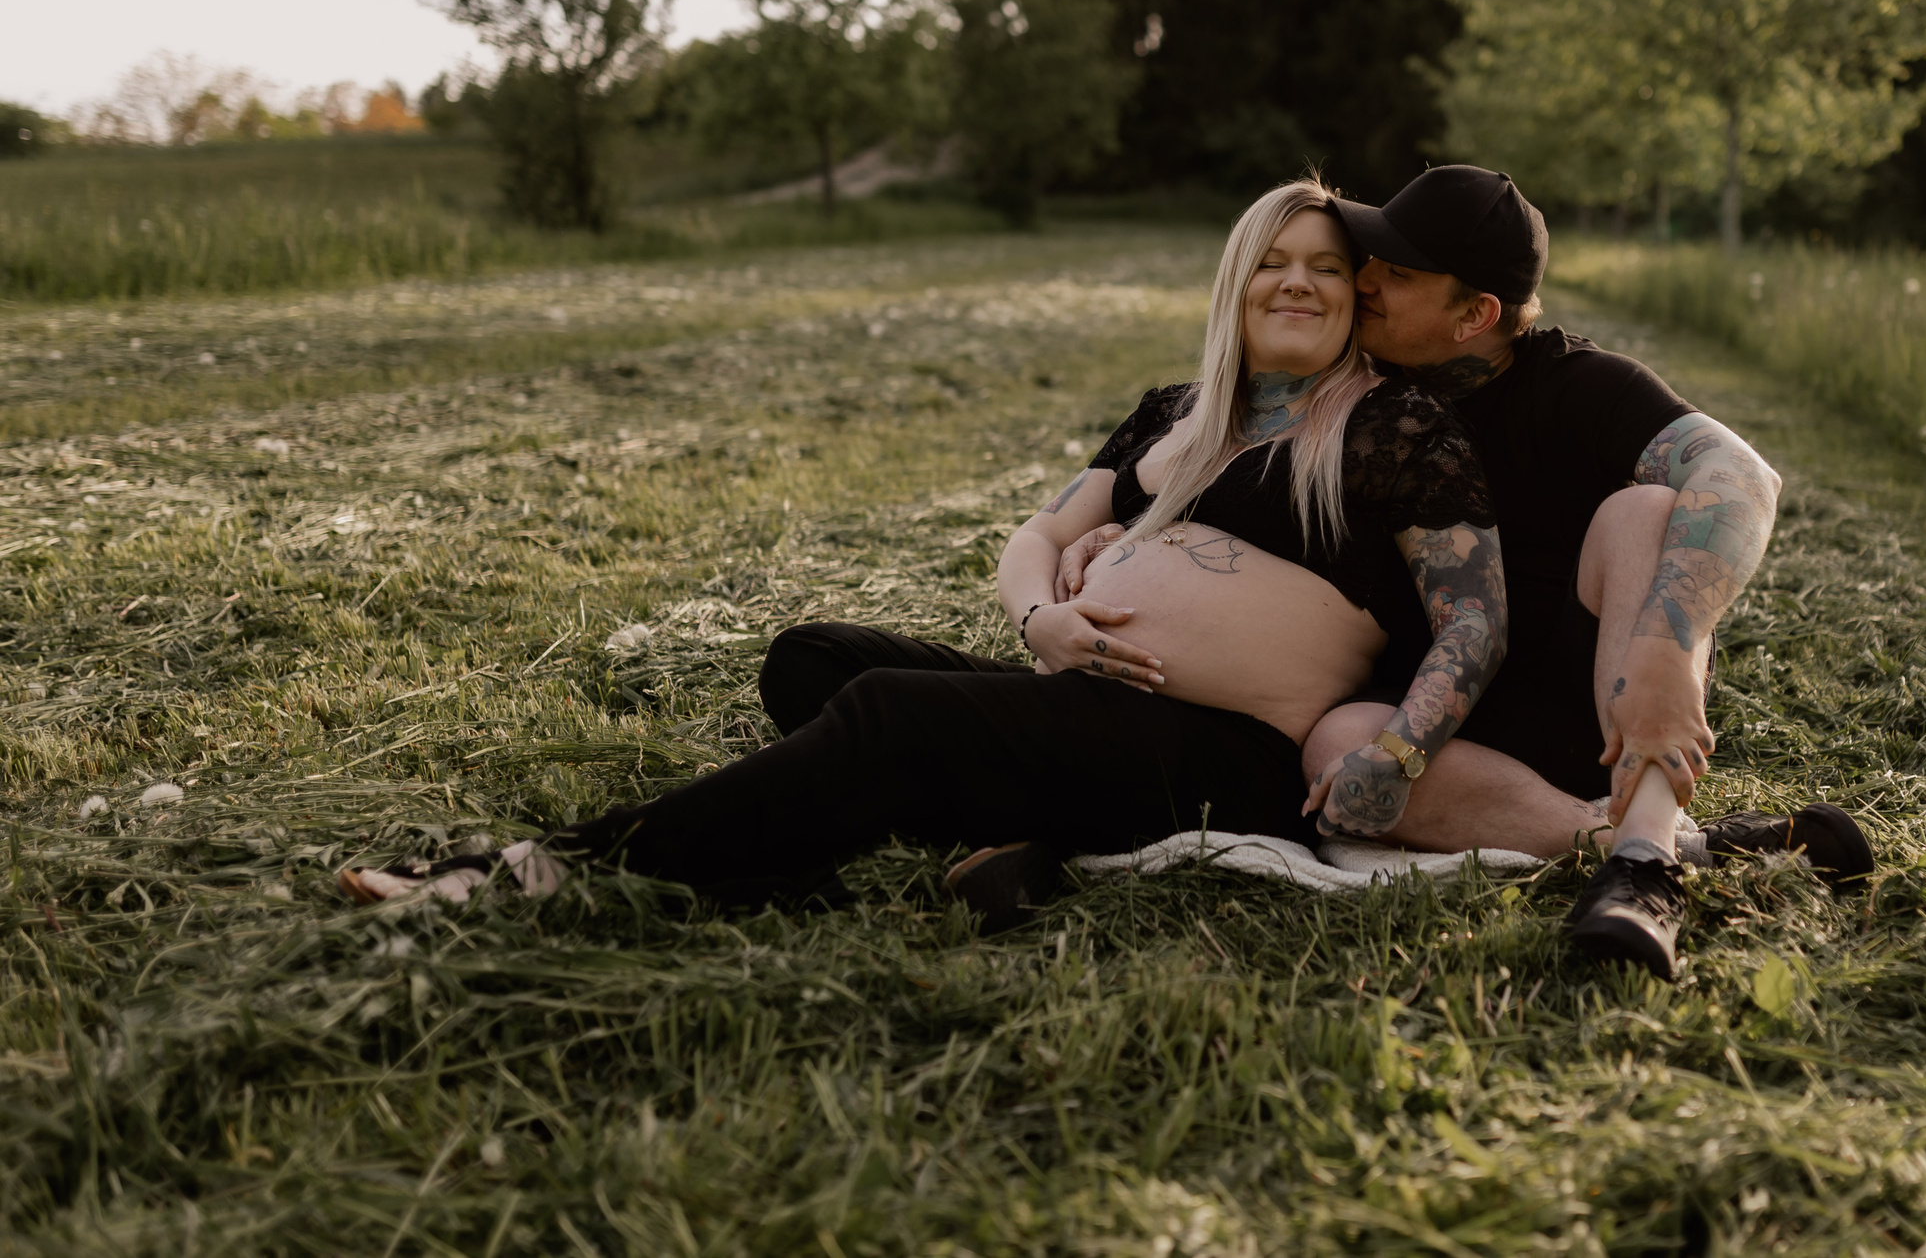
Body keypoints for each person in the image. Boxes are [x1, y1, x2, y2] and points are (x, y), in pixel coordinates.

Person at [338, 178, 1506, 915]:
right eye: (1273, 259)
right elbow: (1043, 531)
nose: (1296, 280)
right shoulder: (1171, 414)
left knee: (896, 712)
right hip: (1095, 694)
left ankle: (557, 872)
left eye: (1325, 267)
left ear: (1355, 299)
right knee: (812, 656)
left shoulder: (1389, 427)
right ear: (1235, 282)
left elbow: (1475, 617)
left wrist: (1395, 759)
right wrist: (1037, 616)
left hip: (1226, 756)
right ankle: (852, 840)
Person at [1064, 165, 1871, 979]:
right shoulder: (1358, 389)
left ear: (1476, 314)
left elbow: (1742, 477)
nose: (1365, 282)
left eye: (1398, 274)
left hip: (1584, 706)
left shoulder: (1581, 385)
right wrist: (1127, 534)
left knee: (1644, 513)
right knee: (1342, 738)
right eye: (1370, 259)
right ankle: (1669, 845)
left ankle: (1646, 868)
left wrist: (1668, 642)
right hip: (1421, 715)